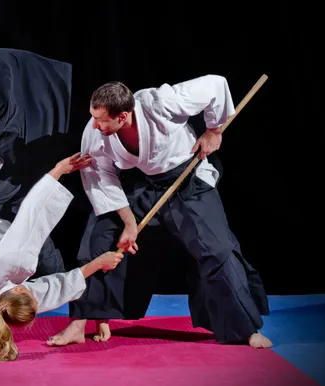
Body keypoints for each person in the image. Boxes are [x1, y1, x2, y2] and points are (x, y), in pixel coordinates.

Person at [47, 75, 273, 349]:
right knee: (98, 238)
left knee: (217, 249)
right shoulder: (95, 133)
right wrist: (129, 223)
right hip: (143, 184)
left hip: (188, 181)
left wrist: (214, 131)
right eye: (94, 117)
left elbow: (215, 84)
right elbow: (101, 178)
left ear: (123, 116)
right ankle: (80, 322)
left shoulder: (162, 102)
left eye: (102, 120)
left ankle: (244, 330)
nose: (95, 125)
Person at [0, 29, 124, 362]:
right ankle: (88, 318)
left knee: (14, 122)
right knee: (53, 263)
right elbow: (55, 287)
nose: (34, 291)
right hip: (0, 218)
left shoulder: (14, 264)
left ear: (20, 291)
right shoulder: (10, 297)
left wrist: (58, 172)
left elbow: (33, 217)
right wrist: (100, 262)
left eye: (30, 292)